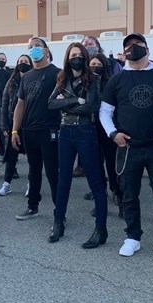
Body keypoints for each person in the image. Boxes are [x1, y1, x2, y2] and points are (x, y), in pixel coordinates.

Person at [100, 33, 153, 263]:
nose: (133, 49)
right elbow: (105, 111)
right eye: (128, 46)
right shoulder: (117, 80)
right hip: (128, 147)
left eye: (138, 45)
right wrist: (113, 134)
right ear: (124, 51)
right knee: (128, 195)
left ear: (147, 49)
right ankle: (133, 236)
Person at [47, 43, 107, 248]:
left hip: (85, 131)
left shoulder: (94, 79)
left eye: (80, 55)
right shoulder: (62, 78)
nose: (76, 58)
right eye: (73, 55)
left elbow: (90, 106)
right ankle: (58, 222)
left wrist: (67, 101)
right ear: (67, 58)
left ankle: (101, 229)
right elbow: (51, 103)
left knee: (96, 182)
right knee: (63, 180)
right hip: (65, 132)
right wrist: (75, 100)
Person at [11, 37, 61, 220]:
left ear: (46, 51)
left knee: (52, 172)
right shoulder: (27, 77)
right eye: (30, 47)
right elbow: (20, 105)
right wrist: (15, 131)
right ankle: (33, 206)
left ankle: (59, 211)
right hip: (29, 132)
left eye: (37, 46)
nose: (33, 49)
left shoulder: (58, 73)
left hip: (50, 130)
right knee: (33, 171)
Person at [87, 53, 123, 213]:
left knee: (112, 163)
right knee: (95, 164)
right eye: (92, 64)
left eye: (98, 64)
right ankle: (100, 197)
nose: (95, 67)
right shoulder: (86, 84)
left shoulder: (111, 83)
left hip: (109, 128)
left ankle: (119, 195)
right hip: (91, 127)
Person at [0, 55, 32, 196]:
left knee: (32, 157)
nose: (23, 63)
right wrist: (4, 125)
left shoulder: (34, 79)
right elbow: (4, 103)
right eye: (21, 61)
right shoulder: (11, 82)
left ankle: (32, 184)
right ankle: (7, 184)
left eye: (26, 61)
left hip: (30, 124)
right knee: (11, 155)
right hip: (14, 124)